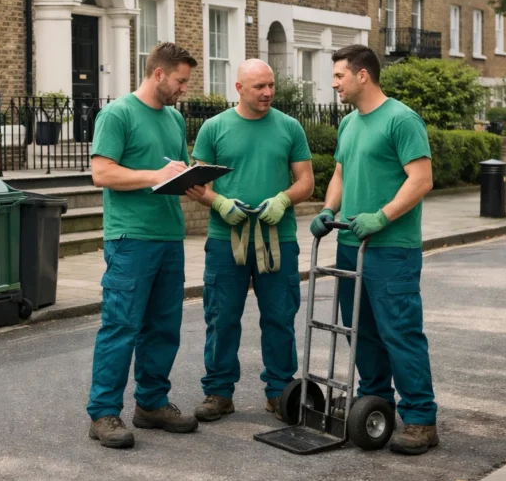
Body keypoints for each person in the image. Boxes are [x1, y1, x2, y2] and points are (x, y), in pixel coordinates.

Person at [309, 44, 438, 455]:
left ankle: (420, 418)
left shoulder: (401, 120)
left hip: (391, 247)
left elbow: (420, 180)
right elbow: (341, 175)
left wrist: (382, 217)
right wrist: (329, 209)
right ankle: (376, 403)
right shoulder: (349, 125)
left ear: (362, 75)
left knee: (399, 332)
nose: (334, 84)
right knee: (361, 333)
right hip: (351, 243)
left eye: (339, 76)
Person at [85, 41, 200, 449]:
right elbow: (102, 173)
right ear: (158, 74)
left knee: (164, 327)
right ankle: (103, 413)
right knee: (121, 326)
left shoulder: (172, 119)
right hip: (130, 238)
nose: (184, 88)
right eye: (180, 81)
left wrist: (198, 181)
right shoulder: (117, 114)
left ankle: (151, 403)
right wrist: (155, 174)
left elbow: (173, 174)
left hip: (169, 236)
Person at [186, 59, 314, 423]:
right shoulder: (214, 128)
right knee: (222, 316)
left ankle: (279, 392)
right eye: (260, 87)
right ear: (239, 88)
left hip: (279, 239)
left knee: (279, 316)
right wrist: (219, 202)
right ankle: (219, 392)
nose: (268, 93)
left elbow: (306, 180)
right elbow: (197, 184)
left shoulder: (289, 128)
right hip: (226, 239)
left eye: (271, 85)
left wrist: (285, 199)